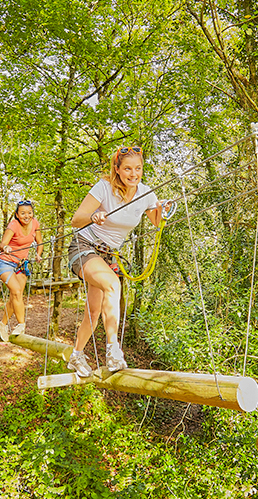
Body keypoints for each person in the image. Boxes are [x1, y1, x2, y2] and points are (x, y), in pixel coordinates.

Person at [66, 146, 168, 377]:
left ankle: (76, 355)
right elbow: (76, 219)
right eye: (128, 169)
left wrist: (163, 210)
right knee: (113, 284)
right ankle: (113, 351)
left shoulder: (145, 194)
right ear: (117, 170)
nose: (134, 174)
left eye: (138, 169)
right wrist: (93, 216)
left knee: (93, 312)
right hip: (84, 247)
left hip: (107, 255)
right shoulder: (104, 188)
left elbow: (155, 220)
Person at [0, 200, 43, 341]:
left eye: (29, 212)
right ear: (17, 214)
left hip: (21, 265)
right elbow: (2, 244)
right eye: (22, 213)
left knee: (15, 296)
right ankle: (21, 324)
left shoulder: (35, 223)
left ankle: (2, 324)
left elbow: (40, 242)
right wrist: (6, 248)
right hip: (6, 263)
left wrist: (38, 254)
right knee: (16, 292)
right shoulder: (13, 225)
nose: (26, 216)